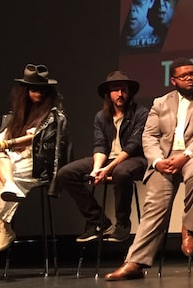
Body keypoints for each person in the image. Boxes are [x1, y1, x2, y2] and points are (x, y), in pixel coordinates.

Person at [104, 58, 193, 280]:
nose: (190, 78)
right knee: (155, 205)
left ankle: (189, 229)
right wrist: (157, 160)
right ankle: (135, 262)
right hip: (166, 159)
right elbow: (149, 135)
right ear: (173, 80)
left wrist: (186, 155)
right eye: (184, 76)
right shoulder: (160, 102)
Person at [0, 64, 69, 253]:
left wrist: (2, 145)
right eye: (34, 89)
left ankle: (3, 226)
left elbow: (36, 136)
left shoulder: (54, 114)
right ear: (25, 91)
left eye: (42, 89)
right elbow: (5, 135)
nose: (38, 93)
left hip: (39, 161)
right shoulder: (19, 114)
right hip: (15, 158)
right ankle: (8, 190)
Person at [54, 71, 149, 244]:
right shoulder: (101, 117)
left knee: (121, 172)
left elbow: (133, 145)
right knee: (66, 173)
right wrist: (97, 169)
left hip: (135, 159)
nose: (120, 94)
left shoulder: (141, 113)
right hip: (107, 160)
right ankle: (98, 221)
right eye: (115, 90)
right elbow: (100, 146)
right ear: (108, 94)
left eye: (123, 89)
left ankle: (122, 224)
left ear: (129, 92)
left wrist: (107, 169)